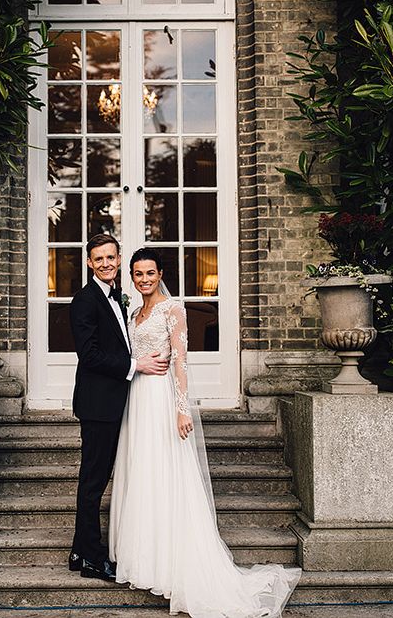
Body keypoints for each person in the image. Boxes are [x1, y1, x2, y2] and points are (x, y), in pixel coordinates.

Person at [109, 247, 301, 617]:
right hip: (137, 399)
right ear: (131, 277)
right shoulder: (135, 312)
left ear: (160, 273)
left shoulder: (172, 308)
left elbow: (181, 361)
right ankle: (144, 558)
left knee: (165, 473)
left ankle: (171, 563)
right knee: (142, 472)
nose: (144, 279)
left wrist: (182, 409)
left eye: (149, 273)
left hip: (162, 399)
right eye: (137, 274)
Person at [68, 234, 169, 582]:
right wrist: (135, 365)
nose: (106, 264)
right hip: (98, 406)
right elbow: (90, 355)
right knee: (93, 483)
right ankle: (93, 558)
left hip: (114, 404)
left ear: (118, 258)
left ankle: (80, 551)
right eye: (99, 259)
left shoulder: (118, 298)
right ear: (89, 263)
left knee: (94, 480)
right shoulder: (85, 300)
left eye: (111, 258)